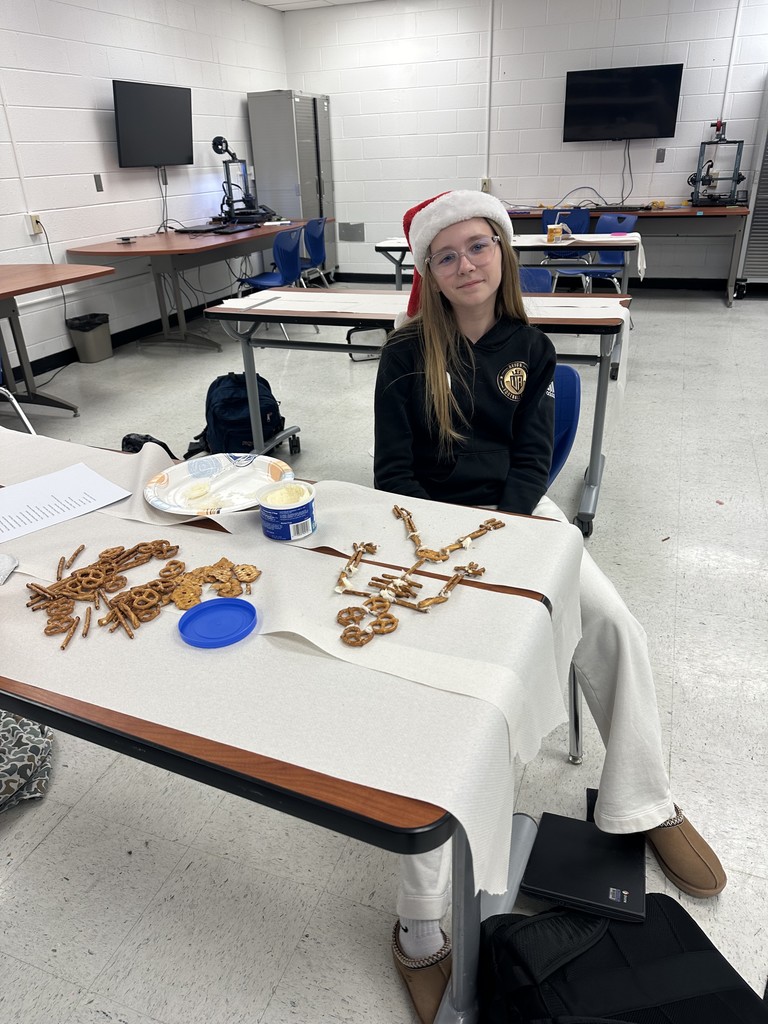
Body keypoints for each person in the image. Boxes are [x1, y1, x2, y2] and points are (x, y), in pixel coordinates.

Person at [373, 190, 726, 1024]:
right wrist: (449, 545)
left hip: (520, 517)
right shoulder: (401, 352)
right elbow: (394, 472)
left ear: (503, 252)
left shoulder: (530, 343)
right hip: (425, 528)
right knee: (443, 694)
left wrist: (506, 532)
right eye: (448, 255)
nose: (466, 266)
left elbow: (533, 460)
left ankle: (644, 800)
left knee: (612, 624)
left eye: (479, 247)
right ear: (429, 270)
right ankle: (419, 924)